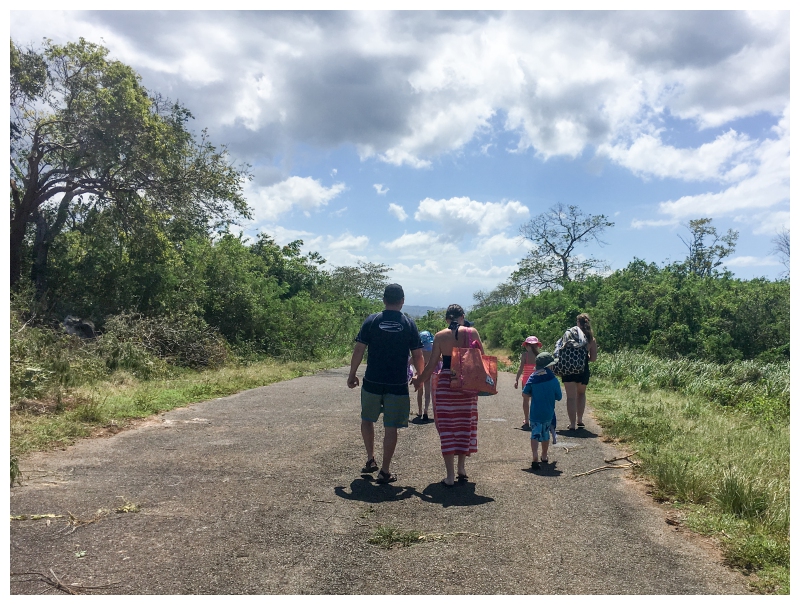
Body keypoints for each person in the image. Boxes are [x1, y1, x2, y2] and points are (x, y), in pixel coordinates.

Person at [348, 284, 424, 484]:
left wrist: (352, 374)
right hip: (397, 384)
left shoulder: (372, 321)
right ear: (402, 300)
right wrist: (419, 377)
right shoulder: (408, 324)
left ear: (384, 300)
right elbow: (417, 354)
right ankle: (384, 470)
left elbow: (359, 350)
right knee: (391, 427)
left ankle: (370, 459)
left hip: (372, 381)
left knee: (367, 419)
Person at [413, 304, 483, 487]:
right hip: (466, 385)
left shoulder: (440, 336)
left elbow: (431, 365)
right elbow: (481, 357)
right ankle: (462, 468)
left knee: (447, 428)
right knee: (464, 425)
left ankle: (450, 476)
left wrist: (419, 379)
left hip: (446, 383)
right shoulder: (472, 332)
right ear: (462, 316)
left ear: (446, 319)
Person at [523, 351, 562, 469]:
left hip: (535, 413)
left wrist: (533, 393)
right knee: (545, 435)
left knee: (535, 434)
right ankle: (544, 455)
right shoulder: (554, 380)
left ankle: (534, 454)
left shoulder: (533, 378)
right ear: (549, 366)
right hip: (548, 413)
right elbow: (559, 397)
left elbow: (525, 394)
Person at [561, 313, 597, 431]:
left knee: (570, 397)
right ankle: (580, 420)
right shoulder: (591, 339)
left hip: (568, 369)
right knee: (581, 394)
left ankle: (572, 424)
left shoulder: (569, 335)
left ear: (578, 323)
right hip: (583, 369)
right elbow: (593, 358)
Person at [514, 336, 542, 431]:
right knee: (536, 400)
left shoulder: (524, 355)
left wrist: (516, 379)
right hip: (537, 380)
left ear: (527, 346)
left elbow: (520, 368)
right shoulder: (539, 356)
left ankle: (526, 420)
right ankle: (535, 419)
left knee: (526, 400)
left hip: (526, 380)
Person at [414, 330, 435, 421]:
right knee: (427, 393)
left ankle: (419, 411)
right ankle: (426, 410)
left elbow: (412, 360)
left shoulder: (419, 349)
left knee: (420, 392)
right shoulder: (432, 349)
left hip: (420, 372)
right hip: (429, 372)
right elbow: (439, 358)